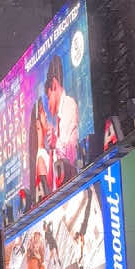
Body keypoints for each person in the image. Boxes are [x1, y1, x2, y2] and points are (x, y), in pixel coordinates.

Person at [45, 53, 79, 183]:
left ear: (54, 85)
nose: (48, 105)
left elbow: (71, 157)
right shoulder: (59, 118)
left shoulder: (69, 106)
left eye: (48, 97)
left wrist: (55, 143)